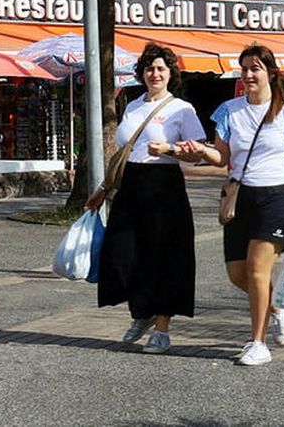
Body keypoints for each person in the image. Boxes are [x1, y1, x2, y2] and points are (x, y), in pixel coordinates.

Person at [86, 45, 210, 354]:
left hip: (164, 185)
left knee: (163, 257)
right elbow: (125, 153)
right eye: (150, 69)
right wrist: (104, 187)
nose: (155, 74)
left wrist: (170, 149)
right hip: (130, 185)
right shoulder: (133, 106)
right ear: (142, 73)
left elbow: (199, 155)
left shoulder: (182, 109)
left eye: (161, 69)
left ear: (171, 74)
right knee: (122, 255)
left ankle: (163, 329)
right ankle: (143, 312)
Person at [211, 44, 284, 367]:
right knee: (237, 274)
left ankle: (258, 343)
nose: (248, 75)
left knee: (258, 269)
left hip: (278, 196)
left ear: (270, 72)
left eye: (255, 68)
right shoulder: (228, 111)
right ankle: (276, 306)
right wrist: (192, 154)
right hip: (241, 197)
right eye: (244, 69)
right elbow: (222, 158)